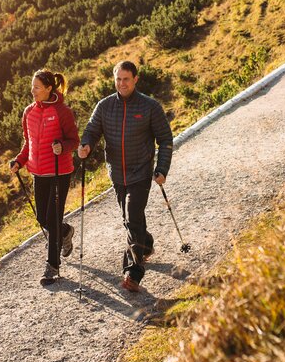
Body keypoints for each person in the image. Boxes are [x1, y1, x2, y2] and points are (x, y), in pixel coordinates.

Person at [78, 60, 173, 292]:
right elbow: (92, 131)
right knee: (131, 219)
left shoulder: (149, 107)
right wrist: (86, 145)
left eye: (126, 79)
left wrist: (161, 169)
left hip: (140, 173)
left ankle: (133, 271)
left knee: (132, 217)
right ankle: (146, 243)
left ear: (136, 79)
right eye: (118, 79)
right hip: (117, 174)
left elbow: (165, 139)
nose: (121, 83)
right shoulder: (104, 106)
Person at [10, 69, 78, 285]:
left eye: (37, 87)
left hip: (59, 171)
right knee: (43, 218)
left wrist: (62, 146)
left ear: (49, 89)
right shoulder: (28, 112)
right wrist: (19, 161)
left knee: (53, 218)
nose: (33, 91)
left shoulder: (62, 111)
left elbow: (74, 140)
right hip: (38, 172)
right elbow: (28, 143)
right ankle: (66, 232)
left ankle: (52, 265)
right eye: (32, 86)